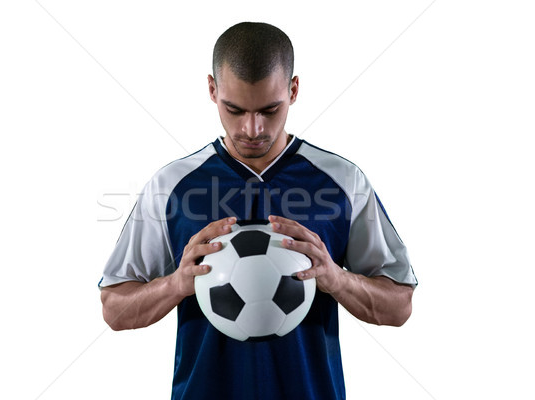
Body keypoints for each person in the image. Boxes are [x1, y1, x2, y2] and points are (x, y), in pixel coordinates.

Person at [99, 21, 417, 400]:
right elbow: (114, 310)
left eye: (270, 109)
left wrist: (334, 278)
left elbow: (399, 306)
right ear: (212, 90)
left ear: (294, 90)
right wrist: (175, 285)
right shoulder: (172, 185)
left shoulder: (342, 182)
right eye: (234, 110)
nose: (252, 128)